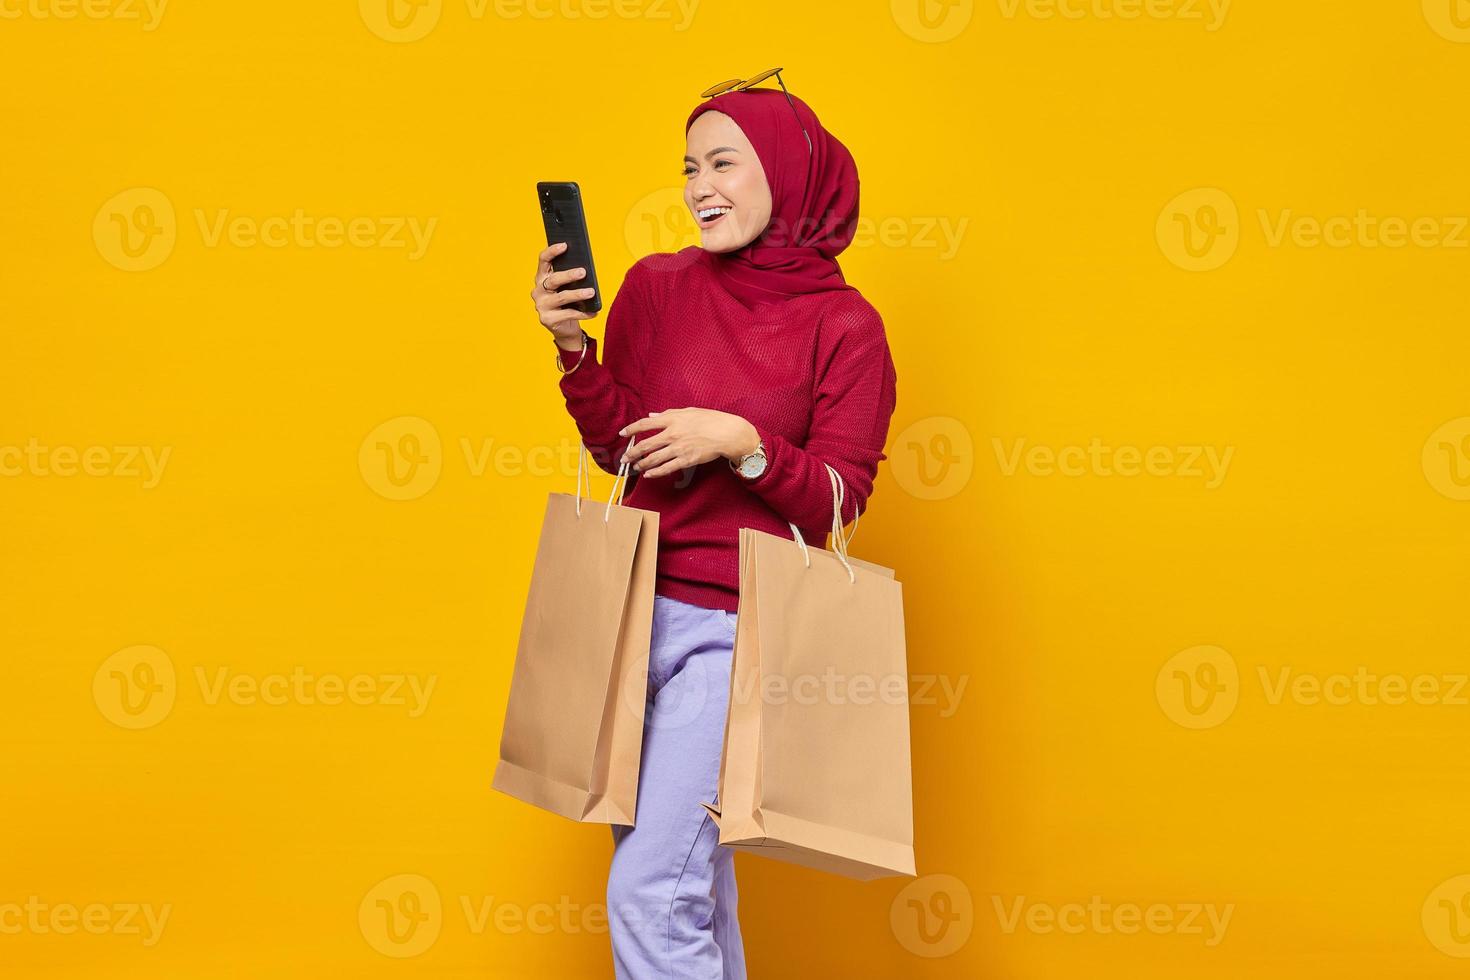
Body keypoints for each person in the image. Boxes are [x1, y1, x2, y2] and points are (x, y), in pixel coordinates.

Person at [529, 81, 898, 980]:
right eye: (689, 166)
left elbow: (842, 501)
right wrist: (575, 350)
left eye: (723, 162)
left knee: (652, 890)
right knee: (696, 891)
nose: (700, 185)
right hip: (632, 619)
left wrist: (744, 445)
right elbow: (623, 446)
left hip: (736, 638)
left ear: (787, 172)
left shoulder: (844, 326)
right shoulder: (657, 287)